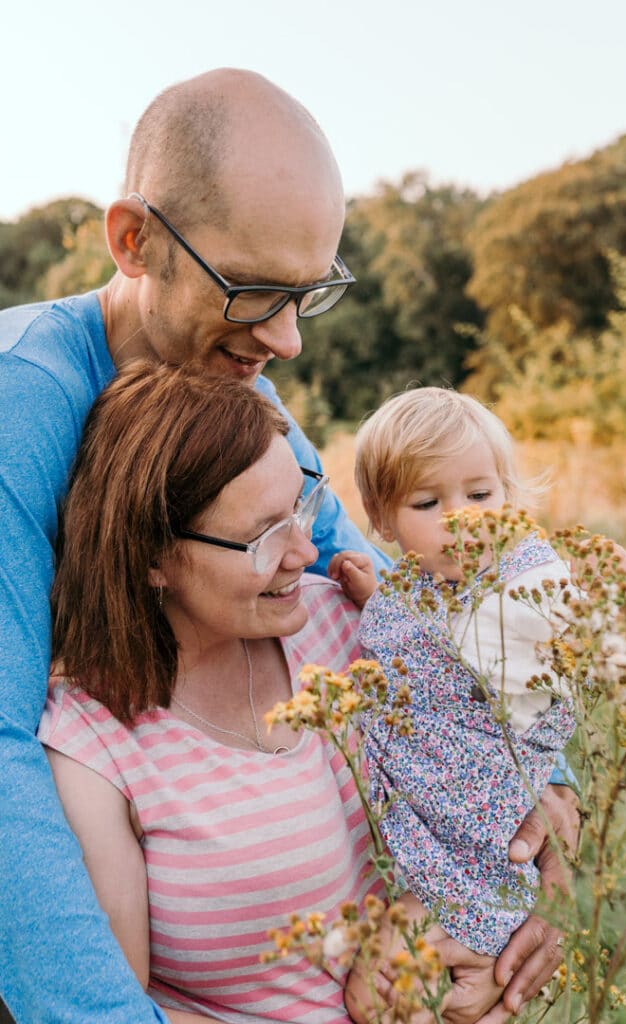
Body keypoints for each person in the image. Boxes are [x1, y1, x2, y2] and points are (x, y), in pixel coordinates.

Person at [0, 69, 575, 1023]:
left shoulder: (234, 384)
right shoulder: (21, 412)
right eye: (255, 291)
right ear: (133, 240)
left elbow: (380, 592)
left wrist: (523, 808)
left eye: (308, 294)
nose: (288, 340)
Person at [41, 361, 528, 1024]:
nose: (305, 549)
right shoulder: (94, 741)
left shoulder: (351, 621)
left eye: (303, 506)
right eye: (263, 534)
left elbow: (499, 756)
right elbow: (115, 1010)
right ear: (151, 557)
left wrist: (506, 928)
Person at [329, 387, 579, 1021]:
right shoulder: (421, 582)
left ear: (507, 494)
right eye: (427, 502)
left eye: (479, 494)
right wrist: (379, 599)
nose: (461, 518)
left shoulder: (522, 583)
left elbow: (530, 673)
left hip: (477, 852)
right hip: (431, 839)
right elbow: (428, 641)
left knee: (376, 996)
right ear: (382, 521)